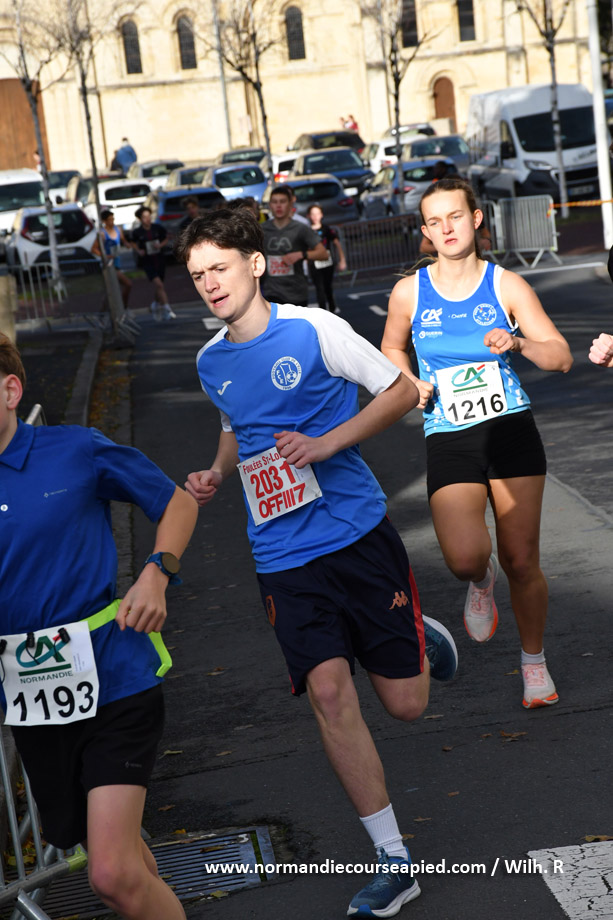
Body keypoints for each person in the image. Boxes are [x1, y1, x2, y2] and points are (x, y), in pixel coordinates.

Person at [176, 209, 458, 919]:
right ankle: (393, 861)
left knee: (406, 704)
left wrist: (328, 443)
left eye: (219, 268)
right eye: (198, 274)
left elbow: (401, 391)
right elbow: (235, 427)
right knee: (330, 695)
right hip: (281, 555)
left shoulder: (314, 330)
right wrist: (217, 471)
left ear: (255, 264)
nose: (210, 283)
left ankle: (421, 637)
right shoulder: (210, 362)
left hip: (356, 536)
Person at [0, 333, 197, 920]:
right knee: (124, 861)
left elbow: (177, 502)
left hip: (115, 680)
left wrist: (156, 573)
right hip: (34, 702)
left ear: (10, 391)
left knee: (109, 873)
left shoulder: (74, 450)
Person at [381, 177, 573, 710]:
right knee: (466, 557)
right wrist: (410, 382)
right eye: (434, 221)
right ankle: (481, 579)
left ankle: (533, 662)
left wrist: (519, 342)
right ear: (425, 231)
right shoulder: (410, 292)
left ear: (476, 218)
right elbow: (392, 346)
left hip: (510, 429)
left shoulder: (506, 285)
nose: (446, 228)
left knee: (522, 559)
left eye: (455, 216)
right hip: (449, 432)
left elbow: (560, 356)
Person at [261, 185, 328, 308]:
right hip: (272, 292)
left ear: (290, 204)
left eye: (282, 202)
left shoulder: (300, 228)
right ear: (270, 205)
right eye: (275, 202)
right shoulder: (262, 230)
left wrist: (301, 254)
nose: (278, 206)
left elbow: (323, 253)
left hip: (296, 293)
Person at [131, 206, 176, 321]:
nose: (147, 219)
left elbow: (166, 238)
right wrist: (139, 250)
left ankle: (155, 304)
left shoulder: (157, 228)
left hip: (159, 259)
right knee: (159, 285)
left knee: (160, 285)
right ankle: (167, 309)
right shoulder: (137, 232)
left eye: (149, 216)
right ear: (140, 219)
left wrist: (160, 245)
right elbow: (133, 243)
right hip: (147, 261)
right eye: (144, 217)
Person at [306, 203, 347, 314]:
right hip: (314, 263)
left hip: (327, 262)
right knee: (319, 288)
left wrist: (342, 259)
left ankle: (332, 307)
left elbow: (336, 243)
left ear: (321, 215)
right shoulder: (307, 231)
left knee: (327, 286)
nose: (315, 217)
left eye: (317, 214)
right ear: (308, 216)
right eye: (313, 214)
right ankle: (323, 311)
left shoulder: (326, 229)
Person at [92, 209, 132, 308]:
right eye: (110, 220)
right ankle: (123, 307)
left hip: (117, 262)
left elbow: (123, 240)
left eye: (113, 219)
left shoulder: (118, 230)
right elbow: (93, 249)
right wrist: (105, 256)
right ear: (104, 221)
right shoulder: (102, 233)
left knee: (112, 291)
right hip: (109, 265)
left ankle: (105, 311)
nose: (112, 221)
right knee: (127, 284)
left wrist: (127, 244)